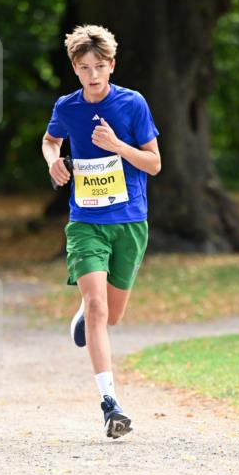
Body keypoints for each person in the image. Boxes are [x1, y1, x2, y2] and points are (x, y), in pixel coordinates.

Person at [42, 24, 160, 438]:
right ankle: (110, 404)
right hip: (86, 221)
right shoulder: (67, 106)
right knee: (97, 307)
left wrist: (118, 147)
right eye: (83, 67)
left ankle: (89, 309)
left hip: (129, 222)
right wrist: (53, 159)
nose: (92, 74)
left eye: (99, 66)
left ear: (111, 65)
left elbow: (154, 163)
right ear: (75, 69)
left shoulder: (132, 105)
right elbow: (50, 140)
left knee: (113, 314)